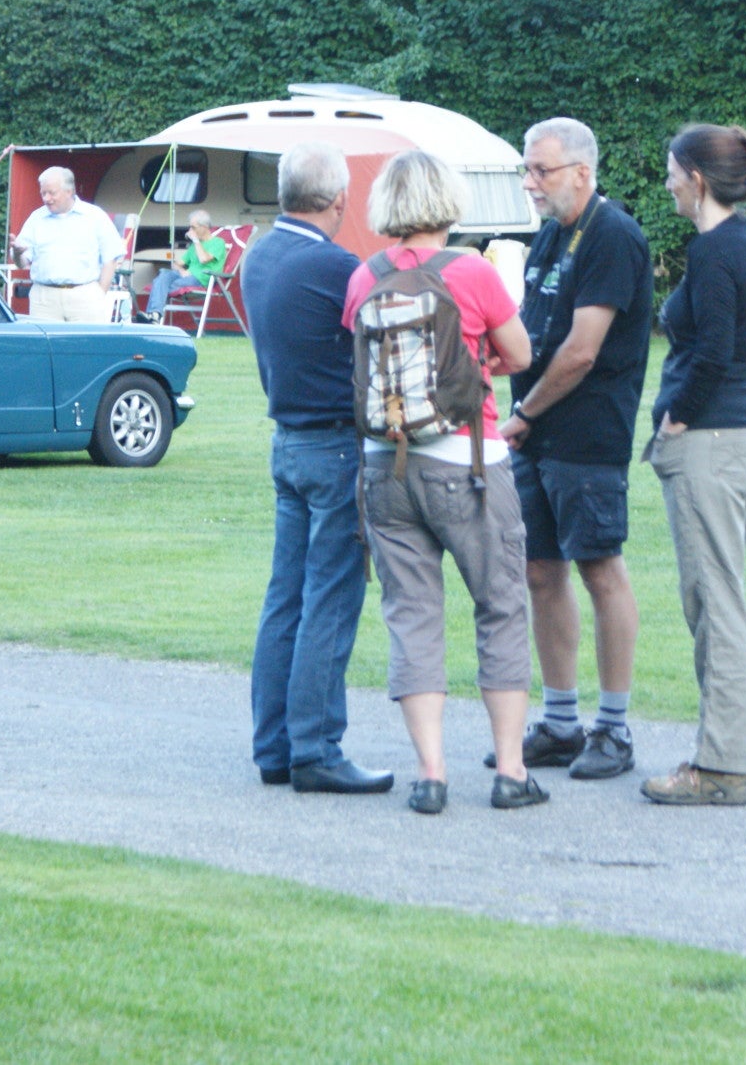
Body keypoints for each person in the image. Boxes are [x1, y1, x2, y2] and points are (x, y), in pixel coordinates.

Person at [342, 150, 542, 815]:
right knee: (500, 605)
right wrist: (478, 358)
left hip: (383, 465)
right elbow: (520, 354)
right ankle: (510, 770)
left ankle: (430, 774)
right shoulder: (472, 271)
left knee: (412, 615)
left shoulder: (364, 276)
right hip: (467, 460)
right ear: (447, 200)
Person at [493, 117, 653, 782]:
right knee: (539, 571)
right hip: (534, 432)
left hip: (586, 433)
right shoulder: (552, 233)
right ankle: (561, 723)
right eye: (526, 170)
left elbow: (583, 349)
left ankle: (613, 729)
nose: (530, 183)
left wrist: (524, 413)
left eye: (542, 170)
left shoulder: (612, 235)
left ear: (583, 172)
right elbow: (535, 328)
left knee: (599, 569)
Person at [640, 123, 746, 806]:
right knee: (717, 596)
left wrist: (677, 415)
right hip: (736, 436)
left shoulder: (714, 251)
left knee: (714, 601)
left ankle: (720, 766)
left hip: (710, 438)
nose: (667, 183)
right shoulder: (742, 244)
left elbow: (717, 351)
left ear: (697, 180)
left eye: (673, 172)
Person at [240, 142, 394, 796]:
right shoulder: (336, 265)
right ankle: (316, 746)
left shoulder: (258, 255)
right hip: (334, 445)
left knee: (286, 595)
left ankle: (275, 745)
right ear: (338, 199)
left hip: (288, 439)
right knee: (331, 595)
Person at [11, 167, 123, 323]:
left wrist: (100, 292)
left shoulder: (95, 216)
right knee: (44, 340)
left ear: (69, 191)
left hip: (85, 297)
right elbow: (22, 263)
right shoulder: (36, 218)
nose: (46, 198)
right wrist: (17, 253)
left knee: (87, 340)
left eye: (52, 193)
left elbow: (111, 257)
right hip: (44, 300)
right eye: (43, 193)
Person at [143, 209, 229, 317]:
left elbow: (203, 259)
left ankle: (153, 315)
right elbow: (176, 264)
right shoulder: (193, 247)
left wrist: (196, 241)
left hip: (201, 279)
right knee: (163, 274)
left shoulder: (218, 242)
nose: (190, 231)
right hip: (186, 276)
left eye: (193, 227)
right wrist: (182, 271)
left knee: (160, 284)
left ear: (205, 227)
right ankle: (154, 314)